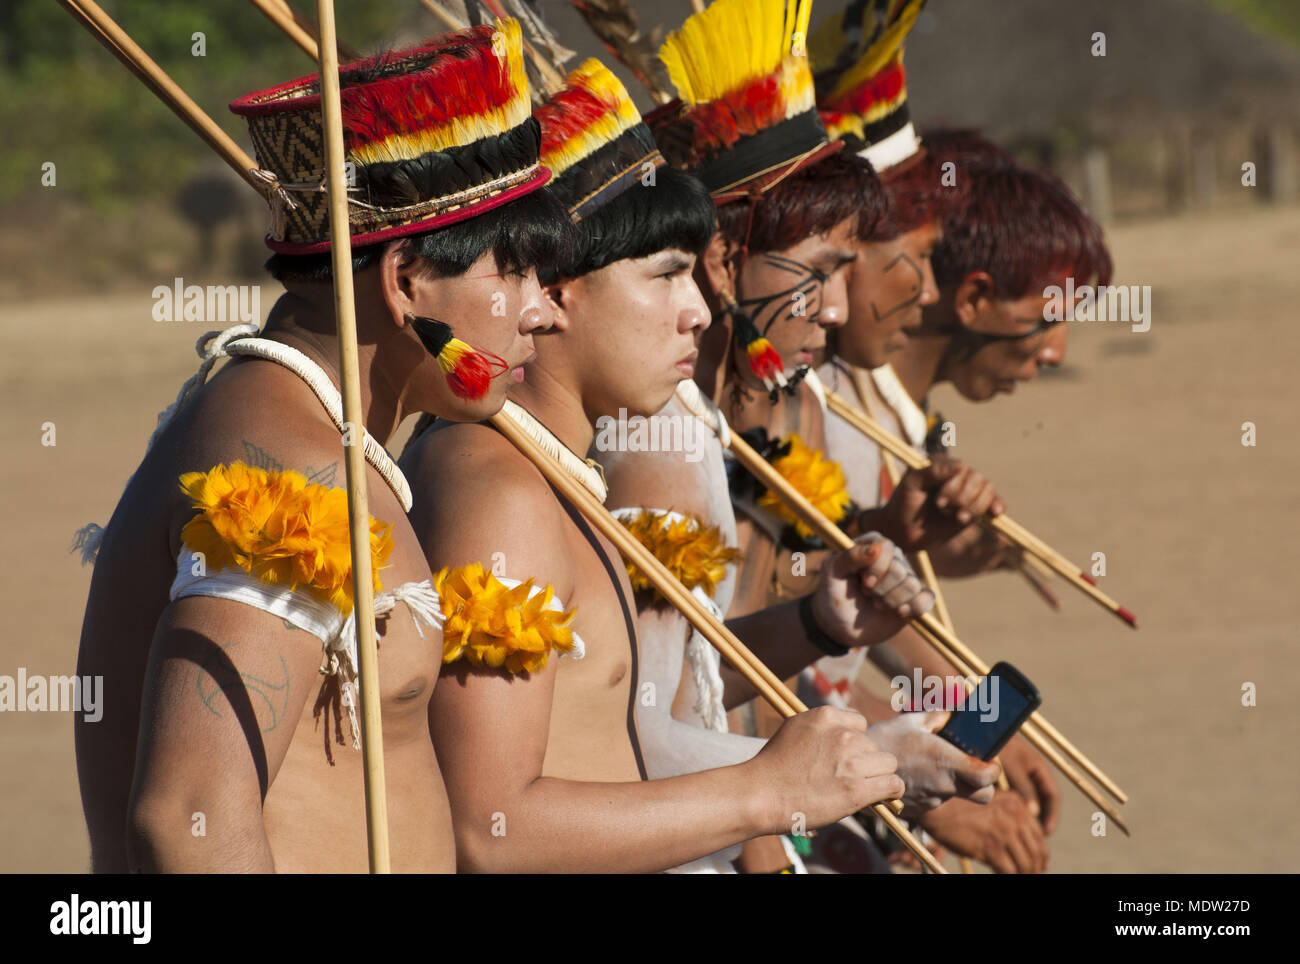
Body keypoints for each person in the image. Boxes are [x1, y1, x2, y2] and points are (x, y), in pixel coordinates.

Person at [399, 49, 932, 874]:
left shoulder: (554, 473)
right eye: (667, 275)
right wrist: (766, 795)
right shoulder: (494, 488)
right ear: (558, 293)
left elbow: (645, 706)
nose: (697, 310)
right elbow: (489, 828)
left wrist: (820, 632)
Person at [72, 23, 570, 872]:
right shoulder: (294, 463)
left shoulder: (296, 425)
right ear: (407, 281)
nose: (545, 313)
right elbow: (188, 819)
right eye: (514, 271)